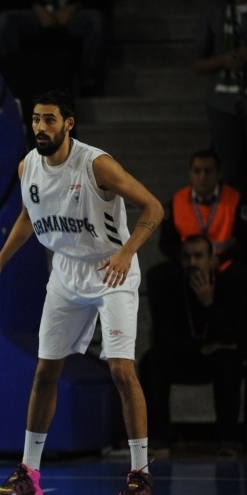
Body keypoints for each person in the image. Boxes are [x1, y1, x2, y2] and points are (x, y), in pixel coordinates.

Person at [0, 90, 165, 495]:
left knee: (121, 370)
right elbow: (28, 216)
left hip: (110, 268)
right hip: (65, 271)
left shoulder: (96, 164)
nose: (41, 127)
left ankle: (140, 475)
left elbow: (153, 208)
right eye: (36, 119)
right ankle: (28, 474)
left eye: (49, 120)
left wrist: (127, 252)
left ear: (68, 124)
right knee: (45, 372)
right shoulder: (28, 165)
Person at [140, 234, 247, 457]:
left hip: (216, 358)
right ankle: (160, 438)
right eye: (187, 257)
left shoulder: (227, 284)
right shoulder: (170, 287)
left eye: (199, 256)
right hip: (183, 355)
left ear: (211, 259)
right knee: (152, 361)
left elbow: (233, 336)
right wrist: (197, 349)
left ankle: (227, 440)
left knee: (230, 360)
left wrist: (208, 303)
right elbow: (162, 336)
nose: (193, 263)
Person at [0, 0, 107, 96]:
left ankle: (89, 79)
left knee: (95, 19)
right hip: (35, 13)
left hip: (72, 13)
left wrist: (71, 8)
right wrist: (37, 8)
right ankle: (11, 80)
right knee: (3, 21)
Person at [158, 149, 247, 271]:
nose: (202, 177)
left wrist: (220, 259)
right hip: (189, 264)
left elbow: (244, 240)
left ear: (219, 174)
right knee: (157, 275)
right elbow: (166, 244)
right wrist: (189, 259)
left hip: (225, 262)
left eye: (208, 171)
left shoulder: (235, 199)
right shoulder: (177, 201)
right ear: (190, 174)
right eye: (197, 171)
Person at [192, 0, 247, 194]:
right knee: (230, 169)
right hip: (223, 103)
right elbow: (196, 63)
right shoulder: (214, 13)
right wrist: (222, 60)